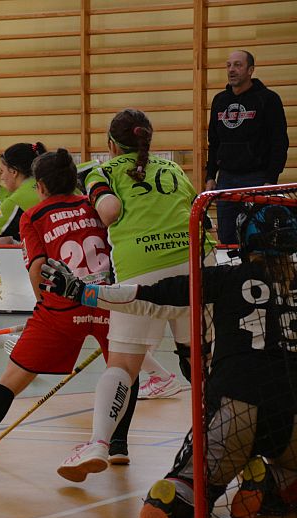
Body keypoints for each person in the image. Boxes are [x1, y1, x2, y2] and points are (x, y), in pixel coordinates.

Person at [39, 201, 297, 518]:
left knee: (192, 482)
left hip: (237, 408)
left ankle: (173, 499)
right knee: (296, 469)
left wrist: (81, 291)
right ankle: (273, 483)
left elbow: (146, 297)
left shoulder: (226, 278)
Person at [0, 149, 139, 480]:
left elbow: (38, 267)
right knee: (125, 371)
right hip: (108, 301)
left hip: (62, 306)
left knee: (10, 381)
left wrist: (43, 306)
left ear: (40, 186)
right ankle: (118, 444)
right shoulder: (94, 205)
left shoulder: (34, 215)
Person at [52, 108, 205, 482]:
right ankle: (216, 433)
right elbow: (197, 212)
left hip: (142, 270)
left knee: (122, 365)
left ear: (111, 144)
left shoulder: (102, 172)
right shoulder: (173, 169)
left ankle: (99, 444)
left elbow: (109, 211)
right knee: (199, 358)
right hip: (196, 266)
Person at [205, 50, 289, 244]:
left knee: (259, 237)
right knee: (227, 238)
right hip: (226, 179)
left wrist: (271, 179)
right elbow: (214, 142)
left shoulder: (268, 99)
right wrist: (210, 176)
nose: (231, 70)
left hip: (257, 178)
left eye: (238, 65)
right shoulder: (219, 100)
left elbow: (279, 142)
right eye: (228, 65)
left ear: (250, 70)